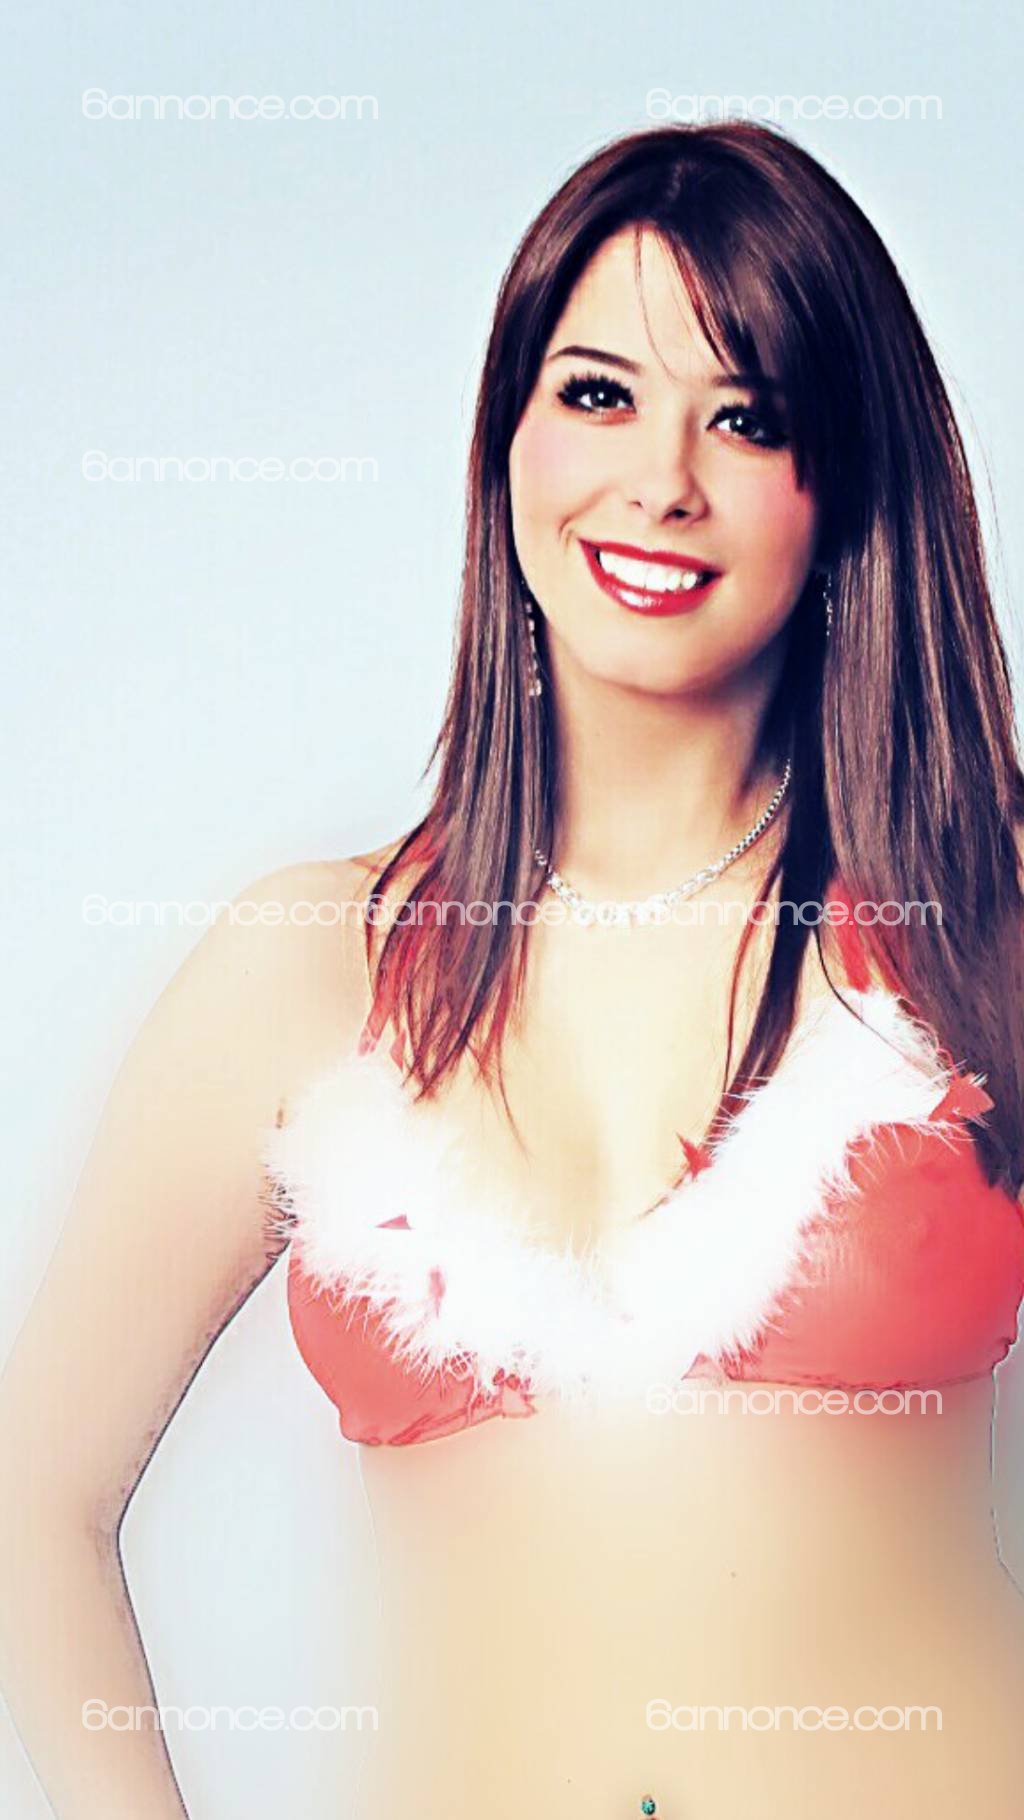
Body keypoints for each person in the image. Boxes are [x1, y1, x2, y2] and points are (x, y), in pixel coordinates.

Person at [3, 119, 1024, 1820]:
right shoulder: (310, 971)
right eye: (599, 394)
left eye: (747, 417)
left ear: (842, 481)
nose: (661, 480)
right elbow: (32, 1497)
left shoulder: (979, 921)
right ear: (505, 442)